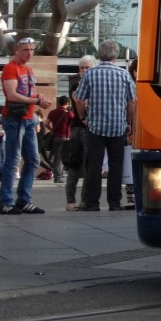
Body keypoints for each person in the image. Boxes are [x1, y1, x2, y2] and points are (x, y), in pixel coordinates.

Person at [75, 41, 136, 212]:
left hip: (95, 127)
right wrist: (128, 122)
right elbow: (131, 101)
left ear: (99, 54)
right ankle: (114, 202)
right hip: (117, 127)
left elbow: (79, 99)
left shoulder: (90, 74)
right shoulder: (124, 75)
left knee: (95, 165)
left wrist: (83, 117)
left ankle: (93, 202)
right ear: (116, 55)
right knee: (116, 165)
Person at [0, 36, 52, 214]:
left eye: (31, 50)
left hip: (28, 119)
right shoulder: (10, 68)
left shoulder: (28, 69)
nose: (29, 53)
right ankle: (6, 202)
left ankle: (23, 200)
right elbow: (11, 95)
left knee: (33, 160)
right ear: (17, 51)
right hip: (14, 119)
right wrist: (36, 101)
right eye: (26, 50)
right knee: (13, 160)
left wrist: (39, 97)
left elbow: (31, 91)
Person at [65, 55, 96, 210]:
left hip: (89, 128)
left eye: (87, 68)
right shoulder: (76, 85)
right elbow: (79, 100)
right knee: (75, 165)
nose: (84, 70)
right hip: (79, 128)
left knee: (88, 166)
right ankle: (71, 201)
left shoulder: (94, 84)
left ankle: (85, 200)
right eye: (82, 68)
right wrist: (84, 118)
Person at [47, 95, 74, 184]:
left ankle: (57, 175)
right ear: (67, 103)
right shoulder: (68, 113)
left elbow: (46, 123)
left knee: (56, 157)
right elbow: (74, 122)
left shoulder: (52, 112)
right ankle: (59, 177)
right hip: (65, 137)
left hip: (55, 137)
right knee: (62, 158)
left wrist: (52, 129)